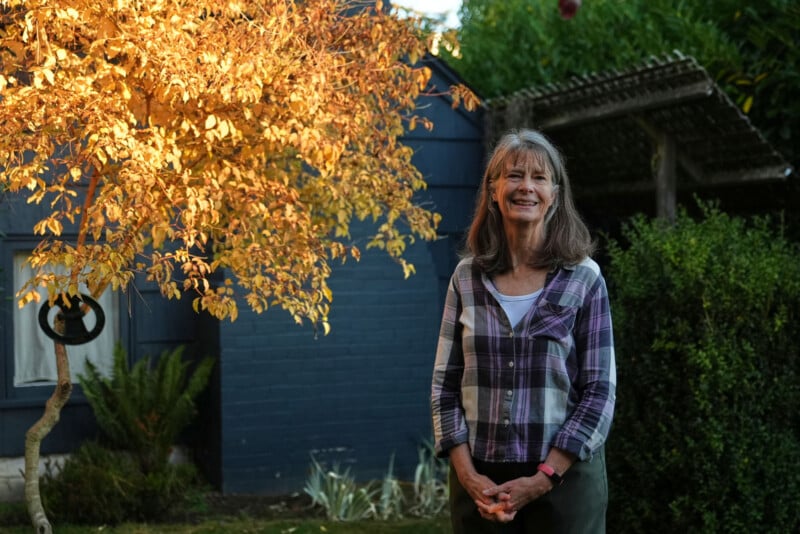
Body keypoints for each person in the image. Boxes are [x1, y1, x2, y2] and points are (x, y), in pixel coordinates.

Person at [431, 128, 616, 533]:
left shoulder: (584, 279)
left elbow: (599, 391)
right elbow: (445, 387)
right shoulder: (466, 279)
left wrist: (544, 477)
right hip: (479, 482)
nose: (525, 187)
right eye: (514, 175)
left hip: (565, 483)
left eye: (539, 177)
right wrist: (467, 475)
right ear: (494, 189)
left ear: (554, 193)